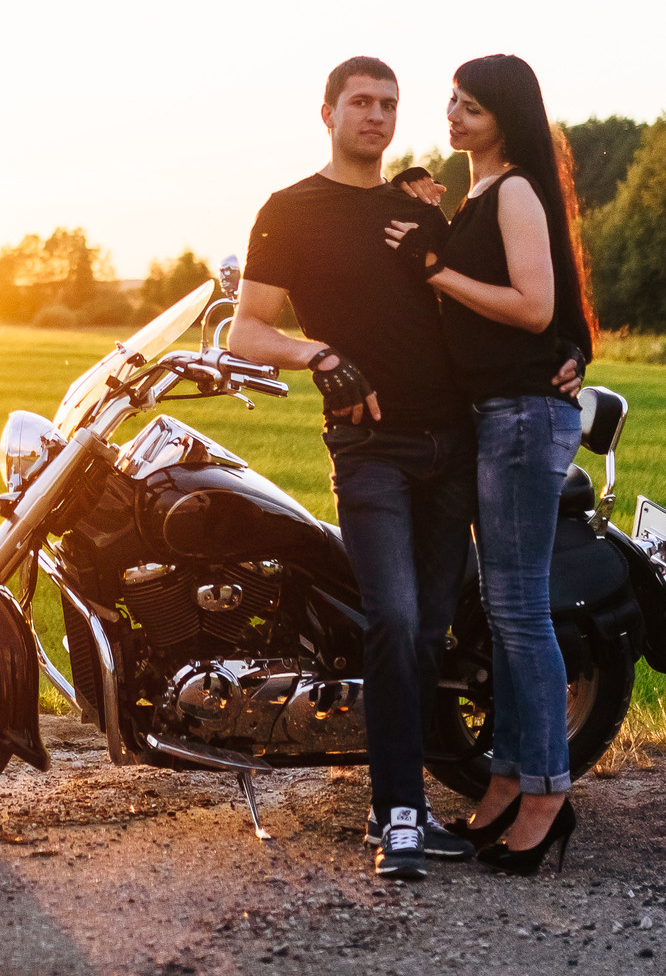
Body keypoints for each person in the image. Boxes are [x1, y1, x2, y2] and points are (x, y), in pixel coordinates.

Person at [228, 57, 482, 880]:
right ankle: (400, 814)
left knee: (430, 629)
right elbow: (246, 331)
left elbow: (463, 301)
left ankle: (401, 801)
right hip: (369, 449)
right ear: (328, 112)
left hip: (451, 444)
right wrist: (320, 353)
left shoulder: (417, 208)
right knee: (395, 618)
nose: (376, 114)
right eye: (361, 101)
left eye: (388, 104)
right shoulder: (288, 210)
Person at [386, 54, 595, 878]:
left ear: (505, 116)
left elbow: (536, 309)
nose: (452, 113)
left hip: (521, 416)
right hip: (496, 415)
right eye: (451, 100)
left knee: (519, 613)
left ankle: (546, 794)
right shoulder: (477, 194)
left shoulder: (513, 191)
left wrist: (437, 269)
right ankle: (509, 776)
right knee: (504, 616)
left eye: (470, 105)